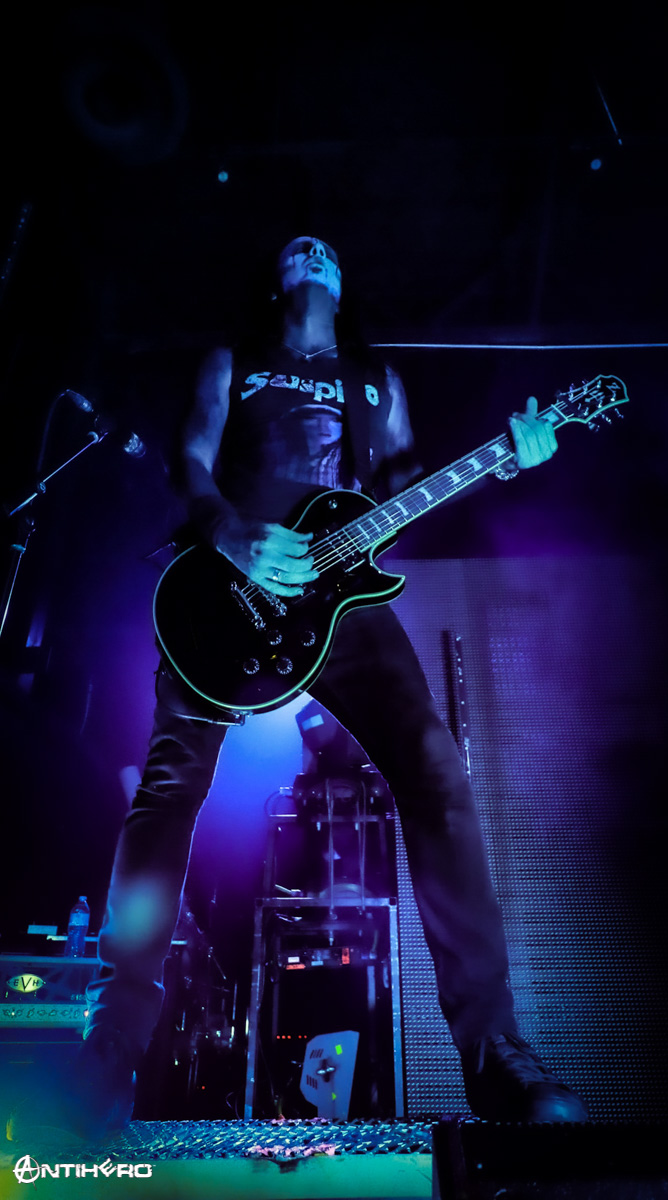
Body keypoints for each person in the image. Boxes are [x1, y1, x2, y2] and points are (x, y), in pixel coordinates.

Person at [34, 237, 588, 1137]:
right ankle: (111, 1049)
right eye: (298, 250)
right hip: (226, 588)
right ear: (279, 281)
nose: (313, 253)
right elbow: (190, 461)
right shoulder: (235, 362)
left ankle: (497, 1054)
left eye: (327, 250)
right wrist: (229, 532)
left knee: (438, 771)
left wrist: (506, 458)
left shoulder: (377, 382)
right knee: (168, 789)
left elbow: (406, 487)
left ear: (342, 280)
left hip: (342, 603)